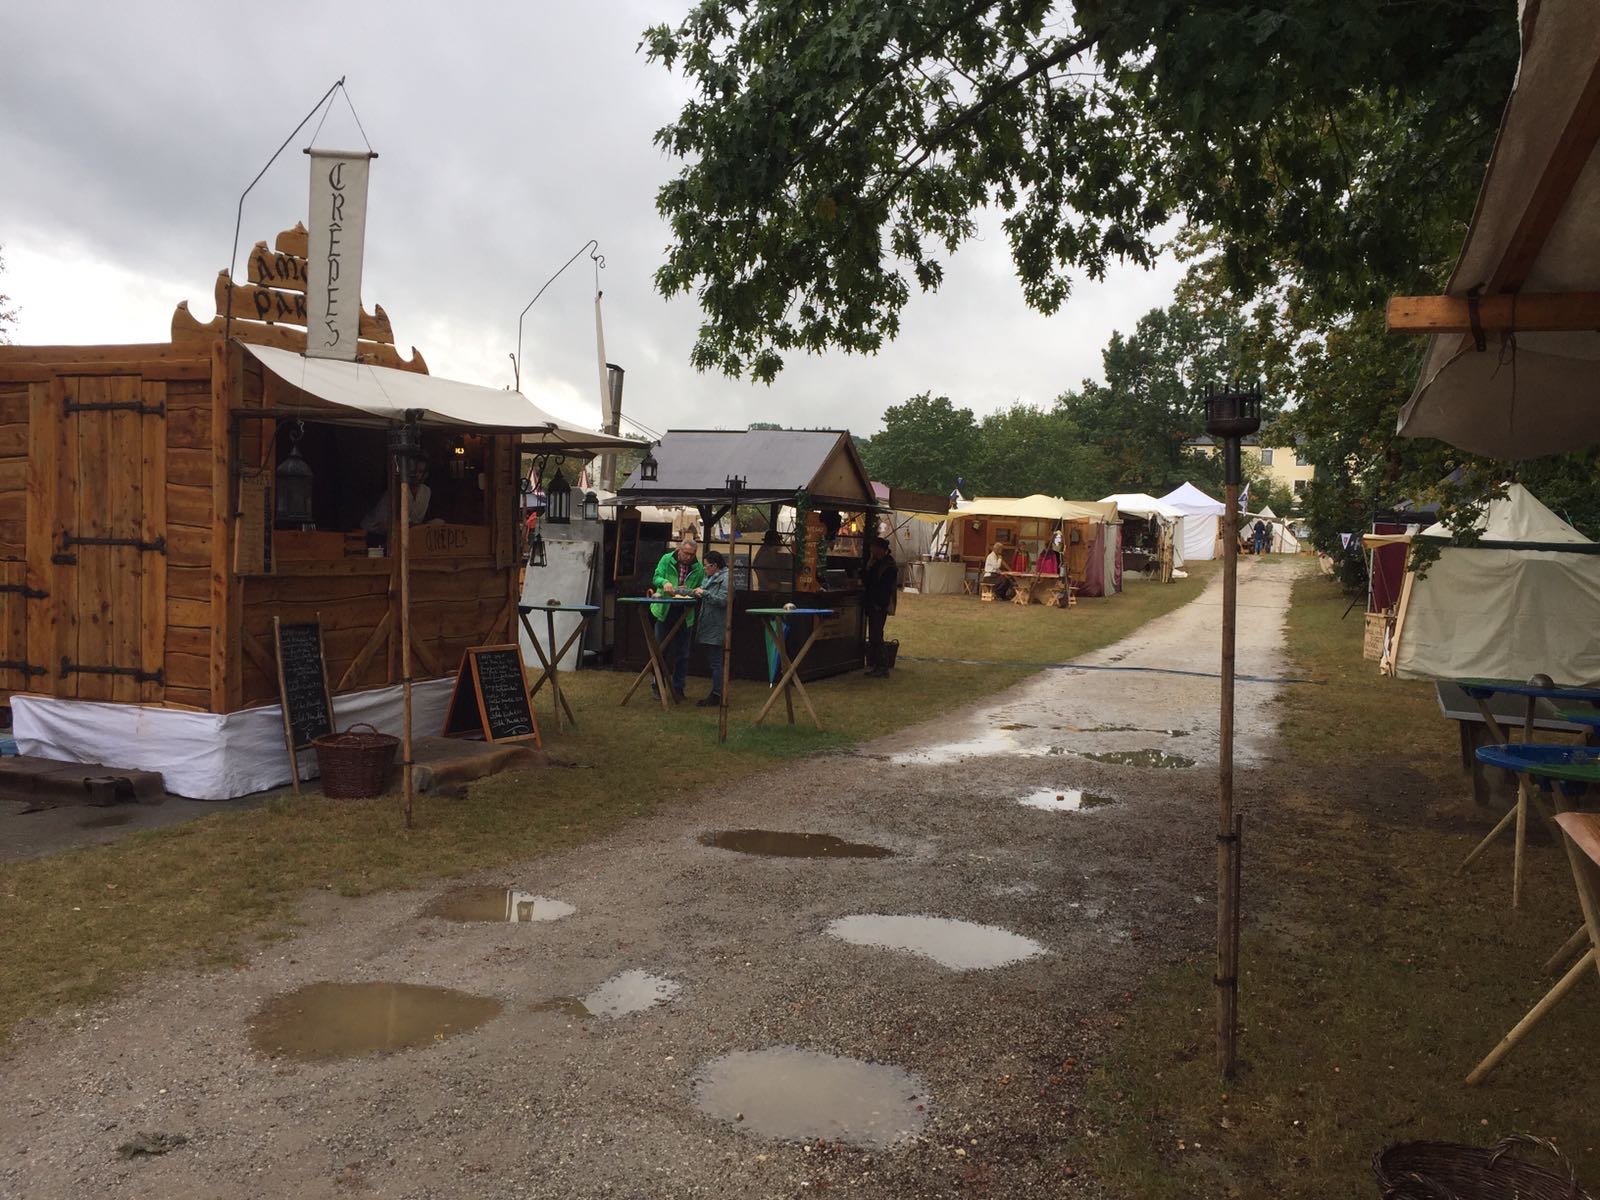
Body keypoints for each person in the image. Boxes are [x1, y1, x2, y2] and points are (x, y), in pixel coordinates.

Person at [649, 536, 704, 701]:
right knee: (661, 649)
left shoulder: (698, 568)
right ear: (679, 550)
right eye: (685, 553)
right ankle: (658, 685)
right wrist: (664, 582)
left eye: (692, 554)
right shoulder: (667, 560)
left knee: (683, 653)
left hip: (685, 613)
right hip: (665, 609)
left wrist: (692, 591)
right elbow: (656, 578)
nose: (688, 557)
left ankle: (679, 688)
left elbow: (700, 588)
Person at [360, 459, 431, 542]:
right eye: (413, 471)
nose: (416, 474)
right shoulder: (398, 490)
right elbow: (401, 522)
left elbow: (417, 519)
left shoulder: (426, 491)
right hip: (375, 533)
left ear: (426, 475)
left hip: (404, 535)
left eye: (420, 472)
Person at [693, 550, 729, 706]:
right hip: (709, 623)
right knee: (714, 661)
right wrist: (679, 590)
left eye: (706, 566)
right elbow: (701, 591)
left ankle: (717, 694)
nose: (704, 568)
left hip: (717, 624)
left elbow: (723, 601)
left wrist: (705, 594)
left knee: (716, 662)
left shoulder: (726, 579)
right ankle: (717, 692)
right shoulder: (709, 578)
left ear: (715, 566)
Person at [861, 536, 897, 677]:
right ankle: (877, 665)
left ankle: (882, 666)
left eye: (873, 547)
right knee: (874, 635)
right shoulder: (876, 563)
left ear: (880, 549)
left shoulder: (889, 566)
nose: (871, 550)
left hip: (879, 604)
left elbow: (885, 588)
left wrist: (879, 604)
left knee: (876, 635)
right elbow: (867, 580)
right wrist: (868, 567)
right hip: (873, 602)